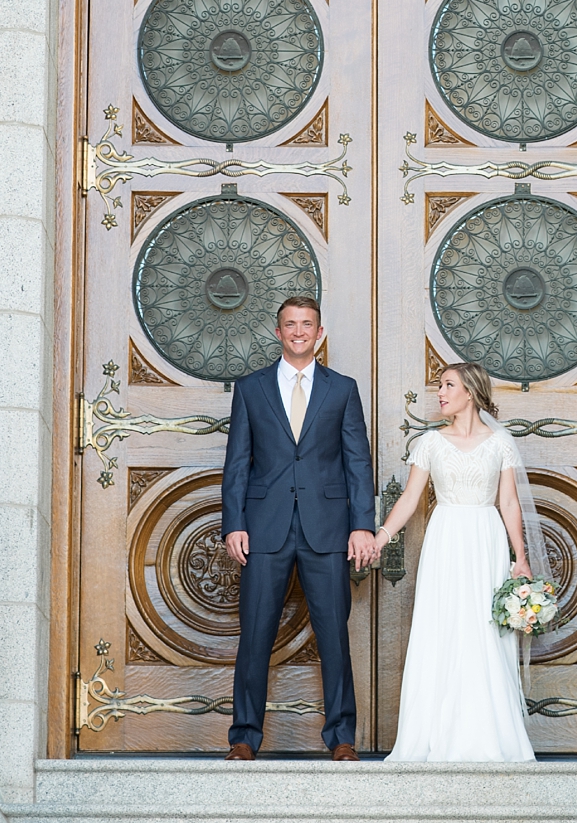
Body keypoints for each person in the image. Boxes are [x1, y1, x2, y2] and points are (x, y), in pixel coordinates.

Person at [220, 295, 379, 760]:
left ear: (319, 333)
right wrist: (234, 523)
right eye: (290, 324)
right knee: (254, 636)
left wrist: (362, 526)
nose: (298, 331)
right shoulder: (251, 388)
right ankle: (244, 738)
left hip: (328, 530)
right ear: (278, 332)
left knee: (333, 636)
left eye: (306, 324)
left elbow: (357, 462)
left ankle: (342, 739)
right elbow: (237, 463)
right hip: (263, 528)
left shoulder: (343, 389)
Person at [370, 361, 540, 762]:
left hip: (486, 538)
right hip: (446, 538)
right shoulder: (430, 443)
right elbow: (410, 498)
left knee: (483, 632)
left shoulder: (500, 443)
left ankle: (487, 736)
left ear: (471, 392)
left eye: (448, 386)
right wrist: (381, 536)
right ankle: (433, 732)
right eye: (439, 386)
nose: (440, 394)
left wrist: (520, 558)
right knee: (443, 628)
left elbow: (509, 502)